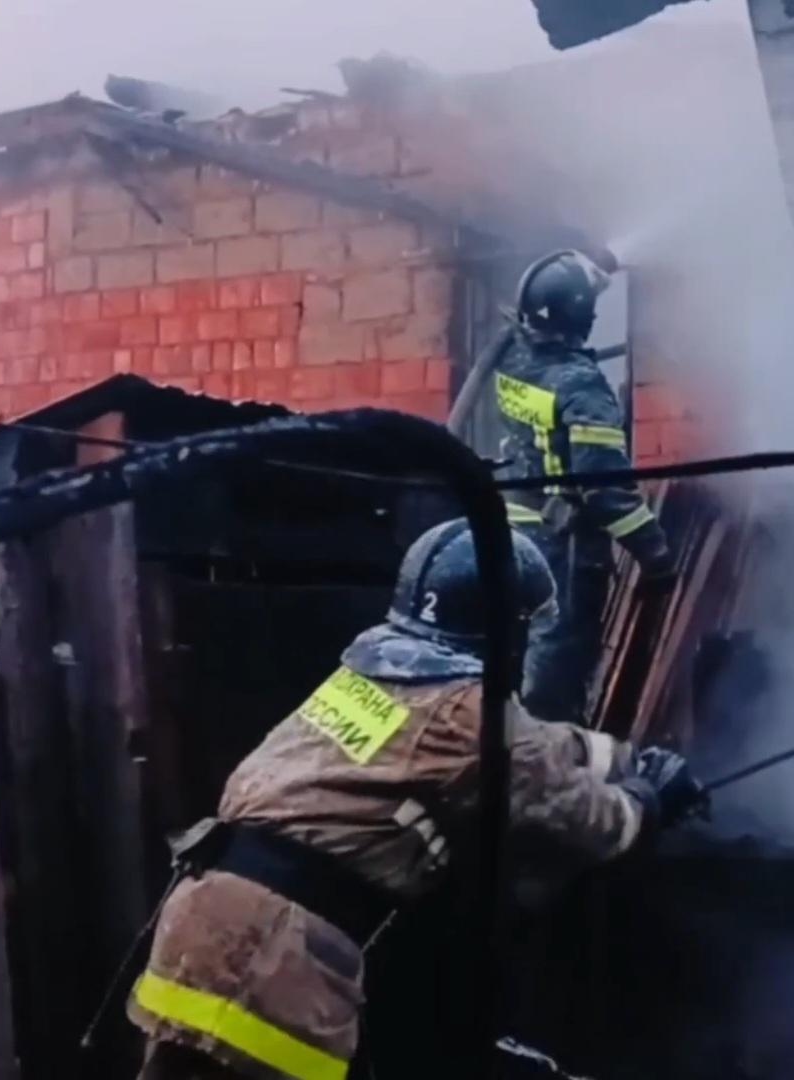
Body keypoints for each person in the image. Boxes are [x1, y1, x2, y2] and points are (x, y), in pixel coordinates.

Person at [126, 518, 707, 1079]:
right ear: (510, 630)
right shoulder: (472, 716)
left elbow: (528, 746)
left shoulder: (380, 678)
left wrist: (624, 757)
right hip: (273, 961)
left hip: (204, 926)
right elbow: (583, 822)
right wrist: (648, 800)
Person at [493, 248, 675, 727]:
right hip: (563, 541)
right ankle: (547, 750)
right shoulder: (581, 387)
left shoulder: (515, 360)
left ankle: (511, 740)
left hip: (514, 528)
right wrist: (655, 553)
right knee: (557, 657)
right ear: (579, 315)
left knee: (519, 645)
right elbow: (604, 489)